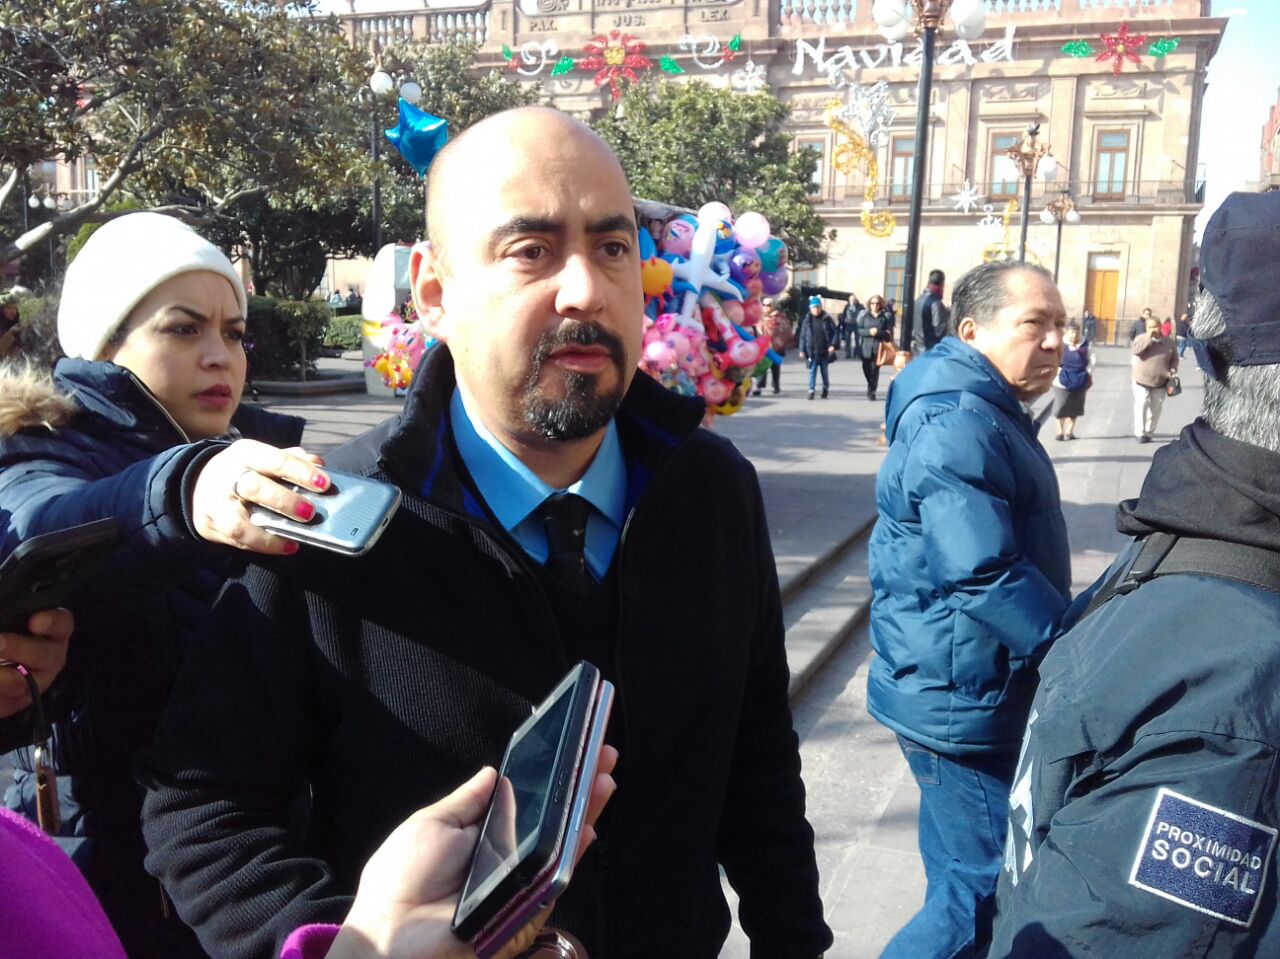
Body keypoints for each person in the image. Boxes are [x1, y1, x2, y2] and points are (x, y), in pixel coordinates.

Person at [138, 107, 833, 959]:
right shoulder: (324, 519)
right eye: (531, 250)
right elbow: (200, 810)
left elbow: (759, 759)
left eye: (613, 247)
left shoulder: (713, 491)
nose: (585, 290)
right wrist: (348, 945)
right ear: (434, 292)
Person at [0, 211, 322, 959]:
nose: (219, 356)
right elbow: (47, 523)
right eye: (182, 329)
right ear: (104, 344)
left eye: (234, 333)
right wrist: (187, 490)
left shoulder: (255, 457)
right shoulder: (38, 452)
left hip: (239, 884)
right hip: (105, 887)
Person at [988, 190, 1280, 958]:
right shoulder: (1230, 687)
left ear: (1208, 354)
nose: (1055, 341)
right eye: (1036, 324)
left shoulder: (1190, 530)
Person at [868, 260, 1072, 959]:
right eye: (1034, 323)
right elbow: (980, 569)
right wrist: (1069, 644)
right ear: (972, 330)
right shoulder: (959, 417)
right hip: (961, 697)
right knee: (980, 896)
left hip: (960, 683)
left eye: (1060, 325)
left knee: (958, 881)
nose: (1054, 341)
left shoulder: (980, 405)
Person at [1131, 311, 1178, 443]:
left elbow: (1174, 358)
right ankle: (1140, 432)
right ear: (1146, 328)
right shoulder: (1141, 338)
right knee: (1141, 404)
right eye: (1150, 327)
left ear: (1160, 326)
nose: (1153, 329)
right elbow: (1136, 351)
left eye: (1155, 326)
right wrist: (1148, 338)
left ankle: (1149, 431)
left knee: (1156, 408)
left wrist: (1173, 369)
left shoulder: (1169, 342)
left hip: (1160, 380)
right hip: (1141, 379)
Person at [1049, 322, 1094, 441]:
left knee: (1075, 407)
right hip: (1061, 380)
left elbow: (1093, 359)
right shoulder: (1060, 344)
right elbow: (1052, 359)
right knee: (1061, 405)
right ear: (1067, 332)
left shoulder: (1085, 345)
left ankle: (1069, 431)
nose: (1074, 335)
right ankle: (1060, 431)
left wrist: (1088, 372)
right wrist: (1056, 371)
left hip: (1080, 379)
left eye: (1077, 332)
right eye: (1072, 332)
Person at [854, 294, 894, 401]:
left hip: (878, 348)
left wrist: (878, 333)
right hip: (865, 348)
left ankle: (871, 391)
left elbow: (888, 334)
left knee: (874, 370)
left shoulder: (884, 317)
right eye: (872, 303)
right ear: (869, 304)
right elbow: (859, 331)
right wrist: (869, 332)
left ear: (880, 305)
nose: (875, 306)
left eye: (877, 303)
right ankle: (871, 383)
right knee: (866, 369)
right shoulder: (865, 316)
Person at [798, 294, 838, 399]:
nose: (816, 309)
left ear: (821, 307)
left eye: (817, 307)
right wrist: (801, 349)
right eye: (814, 307)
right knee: (812, 372)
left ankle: (825, 388)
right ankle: (811, 390)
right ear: (810, 308)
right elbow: (802, 336)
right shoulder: (807, 320)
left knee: (824, 373)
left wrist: (833, 345)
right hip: (812, 352)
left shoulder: (827, 319)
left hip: (824, 352)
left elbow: (835, 333)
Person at [754, 297, 790, 395]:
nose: (766, 307)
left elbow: (785, 330)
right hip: (763, 346)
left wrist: (779, 342)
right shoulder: (760, 317)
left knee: (775, 367)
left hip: (776, 347)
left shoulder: (780, 317)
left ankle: (776, 386)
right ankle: (759, 387)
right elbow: (756, 329)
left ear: (773, 306)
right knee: (762, 367)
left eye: (768, 305)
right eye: (764, 305)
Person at [912, 268, 950, 353]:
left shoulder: (918, 300)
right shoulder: (936, 303)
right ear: (941, 285)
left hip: (916, 349)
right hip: (930, 350)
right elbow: (940, 331)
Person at [840, 294, 862, 359]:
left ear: (856, 300)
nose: (852, 301)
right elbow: (843, 314)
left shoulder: (860, 306)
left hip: (857, 325)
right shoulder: (847, 306)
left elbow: (863, 314)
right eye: (851, 299)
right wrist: (842, 322)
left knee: (857, 340)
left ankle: (857, 353)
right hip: (848, 324)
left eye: (853, 299)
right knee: (847, 340)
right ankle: (848, 354)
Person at [0, 292, 20, 358]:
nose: (13, 311)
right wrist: (10, 333)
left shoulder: (15, 323)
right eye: (9, 308)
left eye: (15, 308)